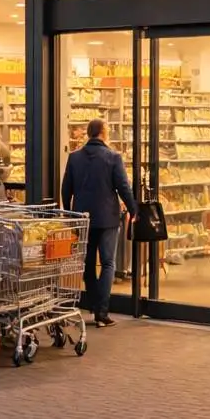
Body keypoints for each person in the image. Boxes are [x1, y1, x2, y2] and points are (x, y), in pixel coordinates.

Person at [61, 118, 137, 328]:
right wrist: (133, 210)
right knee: (108, 263)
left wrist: (69, 212)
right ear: (103, 133)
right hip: (107, 218)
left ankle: (94, 306)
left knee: (87, 263)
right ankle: (102, 312)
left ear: (88, 133)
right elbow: (123, 186)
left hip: (83, 218)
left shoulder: (74, 158)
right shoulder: (113, 157)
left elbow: (66, 187)